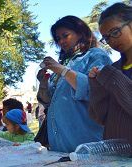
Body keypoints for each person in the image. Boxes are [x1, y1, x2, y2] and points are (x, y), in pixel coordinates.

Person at [37, 15, 112, 152]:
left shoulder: (95, 55)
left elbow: (96, 90)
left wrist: (62, 70)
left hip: (86, 142)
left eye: (65, 35)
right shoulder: (63, 65)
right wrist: (43, 83)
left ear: (80, 33)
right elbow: (48, 102)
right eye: (58, 39)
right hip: (59, 144)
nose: (61, 42)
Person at [88, 3, 132, 144]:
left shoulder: (112, 73)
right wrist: (96, 86)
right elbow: (100, 118)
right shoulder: (114, 69)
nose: (111, 41)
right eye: (106, 38)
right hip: (115, 155)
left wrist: (112, 78)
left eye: (115, 32)